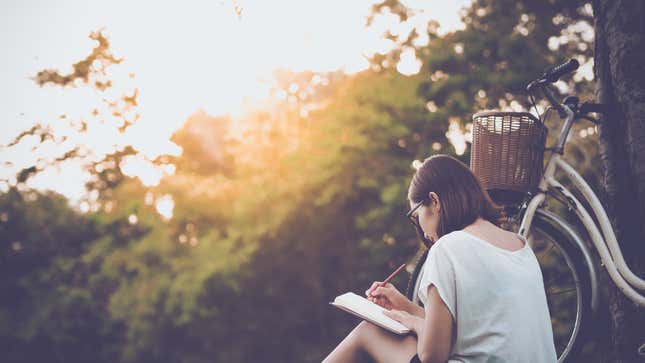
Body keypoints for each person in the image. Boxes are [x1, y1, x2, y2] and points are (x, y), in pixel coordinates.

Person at [322, 154, 557, 363]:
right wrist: (403, 306)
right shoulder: (520, 246)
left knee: (368, 332)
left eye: (416, 215)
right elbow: (471, 331)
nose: (423, 232)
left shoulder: (447, 248)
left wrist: (410, 321)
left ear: (434, 202)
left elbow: (433, 356)